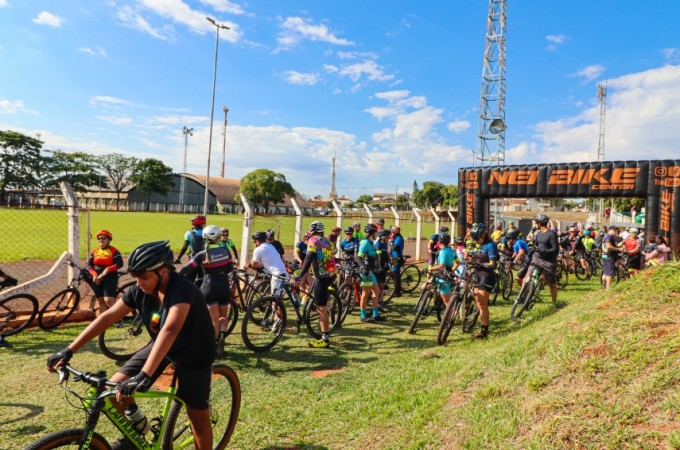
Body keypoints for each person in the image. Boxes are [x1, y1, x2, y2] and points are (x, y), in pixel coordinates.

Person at [47, 241, 216, 449]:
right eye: (135, 276)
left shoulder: (183, 290)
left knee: (197, 420)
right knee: (113, 394)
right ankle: (139, 431)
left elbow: (170, 329)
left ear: (163, 271)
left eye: (144, 276)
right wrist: (69, 349)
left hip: (193, 355)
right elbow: (108, 316)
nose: (139, 282)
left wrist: (144, 374)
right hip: (160, 347)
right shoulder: (140, 290)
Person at [178, 225, 234, 359]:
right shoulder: (226, 251)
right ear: (217, 238)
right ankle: (221, 338)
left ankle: (213, 346)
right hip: (224, 287)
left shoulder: (201, 255)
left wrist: (176, 277)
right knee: (223, 317)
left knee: (213, 320)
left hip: (208, 288)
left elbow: (187, 269)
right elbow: (229, 269)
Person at [295, 221, 338, 348]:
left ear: (311, 230)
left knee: (321, 308)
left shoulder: (313, 241)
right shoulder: (328, 241)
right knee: (320, 301)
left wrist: (300, 275)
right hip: (331, 275)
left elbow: (308, 258)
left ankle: (325, 339)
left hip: (321, 277)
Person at [468, 223, 498, 339]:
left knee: (482, 304)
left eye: (477, 238)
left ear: (483, 235)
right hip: (477, 274)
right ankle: (479, 321)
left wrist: (480, 263)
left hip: (486, 276)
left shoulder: (490, 246)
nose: (475, 241)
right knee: (478, 302)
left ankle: (484, 330)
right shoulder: (481, 245)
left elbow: (493, 264)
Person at [86, 230, 124, 315]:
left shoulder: (113, 250)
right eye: (99, 239)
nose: (101, 240)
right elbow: (89, 265)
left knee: (109, 300)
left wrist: (108, 269)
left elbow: (120, 263)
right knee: (100, 300)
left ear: (109, 240)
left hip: (110, 276)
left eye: (103, 238)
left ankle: (118, 320)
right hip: (97, 278)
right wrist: (94, 275)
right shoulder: (95, 251)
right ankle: (102, 323)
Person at [525, 214, 559, 303]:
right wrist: (528, 255)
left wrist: (542, 250)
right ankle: (523, 298)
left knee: (552, 284)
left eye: (536, 223)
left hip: (549, 261)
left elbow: (555, 250)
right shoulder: (539, 234)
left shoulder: (552, 234)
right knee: (527, 277)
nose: (535, 225)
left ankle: (554, 303)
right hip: (537, 258)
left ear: (539, 224)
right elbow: (535, 247)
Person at [357, 223, 386, 322]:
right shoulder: (365, 243)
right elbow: (358, 257)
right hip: (366, 272)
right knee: (366, 293)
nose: (377, 234)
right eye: (375, 232)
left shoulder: (370, 242)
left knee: (376, 292)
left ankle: (375, 314)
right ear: (371, 233)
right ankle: (363, 315)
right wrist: (363, 267)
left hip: (371, 271)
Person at [427, 233, 460, 308]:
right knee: (426, 287)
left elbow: (441, 265)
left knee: (447, 301)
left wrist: (430, 268)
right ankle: (433, 302)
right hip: (446, 275)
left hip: (443, 277)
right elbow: (458, 262)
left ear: (440, 242)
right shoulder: (453, 251)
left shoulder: (443, 252)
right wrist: (451, 270)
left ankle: (449, 318)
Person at [175, 215, 207, 284]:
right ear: (201, 224)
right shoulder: (206, 233)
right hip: (204, 261)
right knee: (202, 281)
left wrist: (178, 258)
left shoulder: (188, 233)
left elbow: (185, 247)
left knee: (189, 281)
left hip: (193, 261)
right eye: (204, 223)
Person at [374, 229, 391, 304]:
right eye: (387, 237)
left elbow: (386, 255)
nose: (389, 238)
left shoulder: (385, 244)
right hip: (377, 267)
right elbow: (379, 256)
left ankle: (381, 300)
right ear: (383, 237)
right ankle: (377, 301)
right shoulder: (378, 244)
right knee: (378, 286)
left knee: (382, 285)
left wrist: (388, 263)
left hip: (383, 266)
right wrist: (381, 266)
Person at [389, 225, 405, 297]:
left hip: (398, 259)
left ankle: (397, 292)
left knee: (394, 274)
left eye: (393, 230)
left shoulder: (398, 238)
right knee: (396, 275)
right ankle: (397, 291)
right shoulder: (396, 237)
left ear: (397, 231)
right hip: (395, 258)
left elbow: (394, 248)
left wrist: (391, 242)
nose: (392, 232)